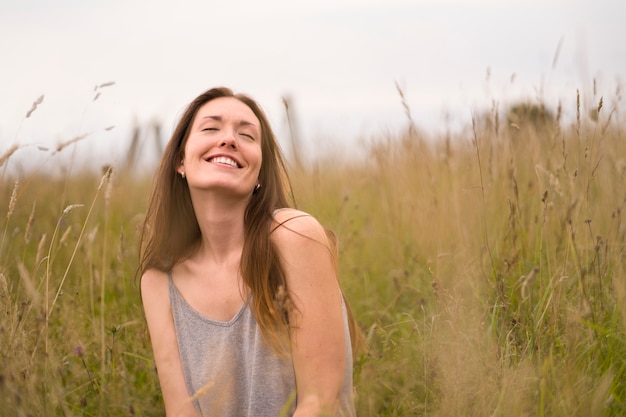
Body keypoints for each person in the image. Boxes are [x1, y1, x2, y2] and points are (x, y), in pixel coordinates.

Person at [139, 87, 359, 417]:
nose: (228, 140)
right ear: (180, 161)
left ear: (258, 173)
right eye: (211, 128)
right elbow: (180, 412)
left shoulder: (295, 237)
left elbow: (319, 402)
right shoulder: (159, 281)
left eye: (247, 135)